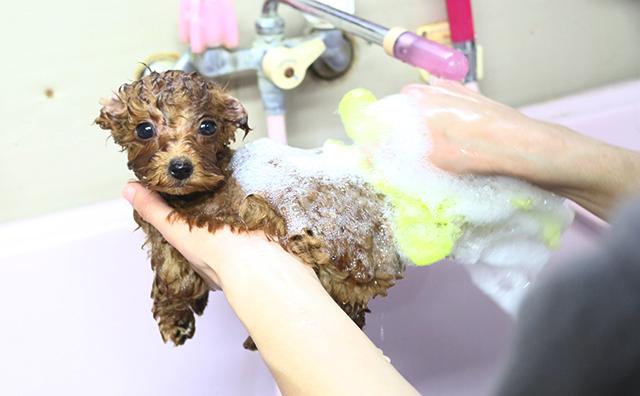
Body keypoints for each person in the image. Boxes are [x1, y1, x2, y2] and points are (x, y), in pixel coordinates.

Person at [121, 79, 640, 396]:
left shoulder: (586, 317)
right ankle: (555, 154)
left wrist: (258, 275)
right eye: (146, 133)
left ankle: (554, 153)